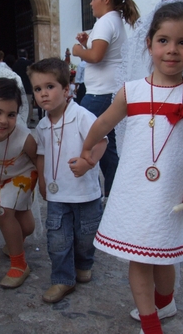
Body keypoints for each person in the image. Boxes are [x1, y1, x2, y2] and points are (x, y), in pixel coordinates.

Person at [81, 0, 183, 334]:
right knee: (140, 257)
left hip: (171, 193)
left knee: (164, 254)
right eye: (164, 40)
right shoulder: (132, 91)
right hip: (135, 192)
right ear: (149, 44)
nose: (172, 49)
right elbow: (103, 123)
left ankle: (165, 300)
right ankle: (151, 322)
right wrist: (87, 147)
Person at [28, 58, 107, 304]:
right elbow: (41, 156)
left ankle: (84, 263)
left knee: (86, 235)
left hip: (85, 193)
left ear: (66, 90)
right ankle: (62, 278)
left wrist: (89, 162)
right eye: (37, 89)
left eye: (49, 87)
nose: (43, 94)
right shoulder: (41, 126)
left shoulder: (81, 116)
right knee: (57, 239)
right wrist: (42, 181)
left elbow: (102, 141)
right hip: (57, 195)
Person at [72, 0, 140, 199]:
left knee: (80, 137)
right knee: (108, 149)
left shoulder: (105, 21)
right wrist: (86, 44)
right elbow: (103, 56)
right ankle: (117, 195)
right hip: (109, 91)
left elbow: (96, 56)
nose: (91, 3)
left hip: (99, 93)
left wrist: (77, 50)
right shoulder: (115, 20)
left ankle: (85, 193)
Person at [0, 78, 38, 288]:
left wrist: (46, 179)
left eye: (11, 115)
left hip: (20, 176)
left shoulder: (24, 138)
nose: (3, 120)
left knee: (3, 212)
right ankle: (15, 245)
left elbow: (37, 157)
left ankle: (19, 264)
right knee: (25, 226)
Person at [12, 49, 34, 125]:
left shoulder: (15, 64)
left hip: (18, 87)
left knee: (19, 105)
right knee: (28, 104)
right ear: (26, 55)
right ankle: (27, 122)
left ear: (18, 56)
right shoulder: (30, 63)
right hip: (28, 87)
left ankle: (20, 122)